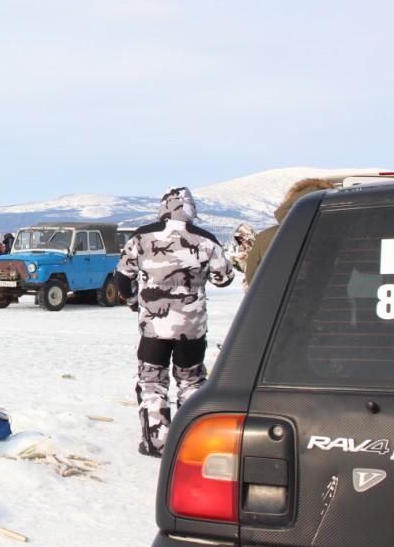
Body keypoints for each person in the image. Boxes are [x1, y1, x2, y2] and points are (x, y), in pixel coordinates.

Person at [114, 187, 234, 457]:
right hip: (192, 327)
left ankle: (155, 442)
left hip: (153, 327)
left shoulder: (141, 237)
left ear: (163, 208)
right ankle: (192, 441)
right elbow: (224, 278)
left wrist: (134, 302)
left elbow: (122, 276)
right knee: (191, 382)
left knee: (151, 382)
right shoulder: (206, 239)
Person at [243, 177, 336, 288]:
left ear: (290, 203)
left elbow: (253, 279)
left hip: (275, 297)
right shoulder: (341, 232)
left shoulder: (265, 237)